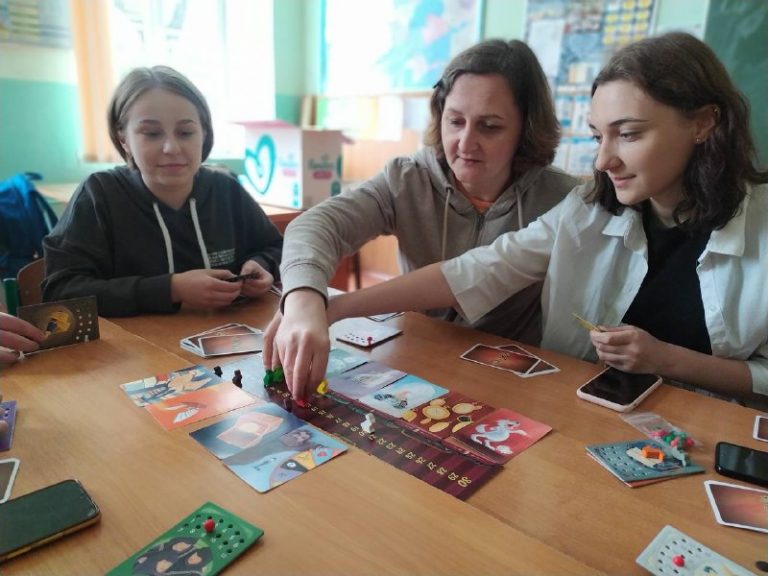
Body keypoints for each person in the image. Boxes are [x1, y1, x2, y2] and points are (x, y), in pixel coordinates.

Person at [278, 32, 768, 408]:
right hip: (588, 410)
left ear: (704, 123)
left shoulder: (570, 196)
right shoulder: (590, 207)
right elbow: (478, 270)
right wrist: (329, 306)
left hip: (706, 424)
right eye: (597, 136)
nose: (603, 161)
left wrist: (666, 359)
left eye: (629, 134)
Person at [265, 39, 579, 386]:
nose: (465, 142)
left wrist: (334, 308)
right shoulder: (407, 177)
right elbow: (318, 224)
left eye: (490, 126)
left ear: (526, 129)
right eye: (455, 121)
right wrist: (303, 297)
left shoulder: (562, 199)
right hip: (418, 360)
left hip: (510, 377)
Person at [42, 66, 283, 317]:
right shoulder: (99, 194)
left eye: (186, 133)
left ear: (204, 134)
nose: (171, 147)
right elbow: (60, 291)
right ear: (123, 138)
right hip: (135, 342)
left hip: (230, 336)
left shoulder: (226, 189)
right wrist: (172, 289)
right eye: (152, 134)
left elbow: (277, 248)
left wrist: (262, 265)